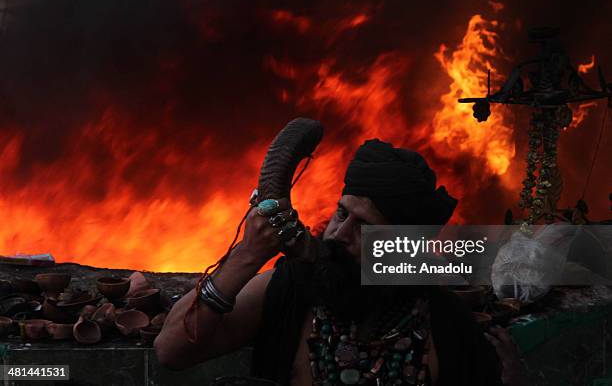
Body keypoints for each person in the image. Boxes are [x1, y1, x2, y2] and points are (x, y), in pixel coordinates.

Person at [155, 139, 527, 386]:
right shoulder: (292, 287)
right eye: (340, 213)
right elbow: (171, 351)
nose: (337, 234)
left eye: (364, 226)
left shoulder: (444, 320)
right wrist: (247, 256)